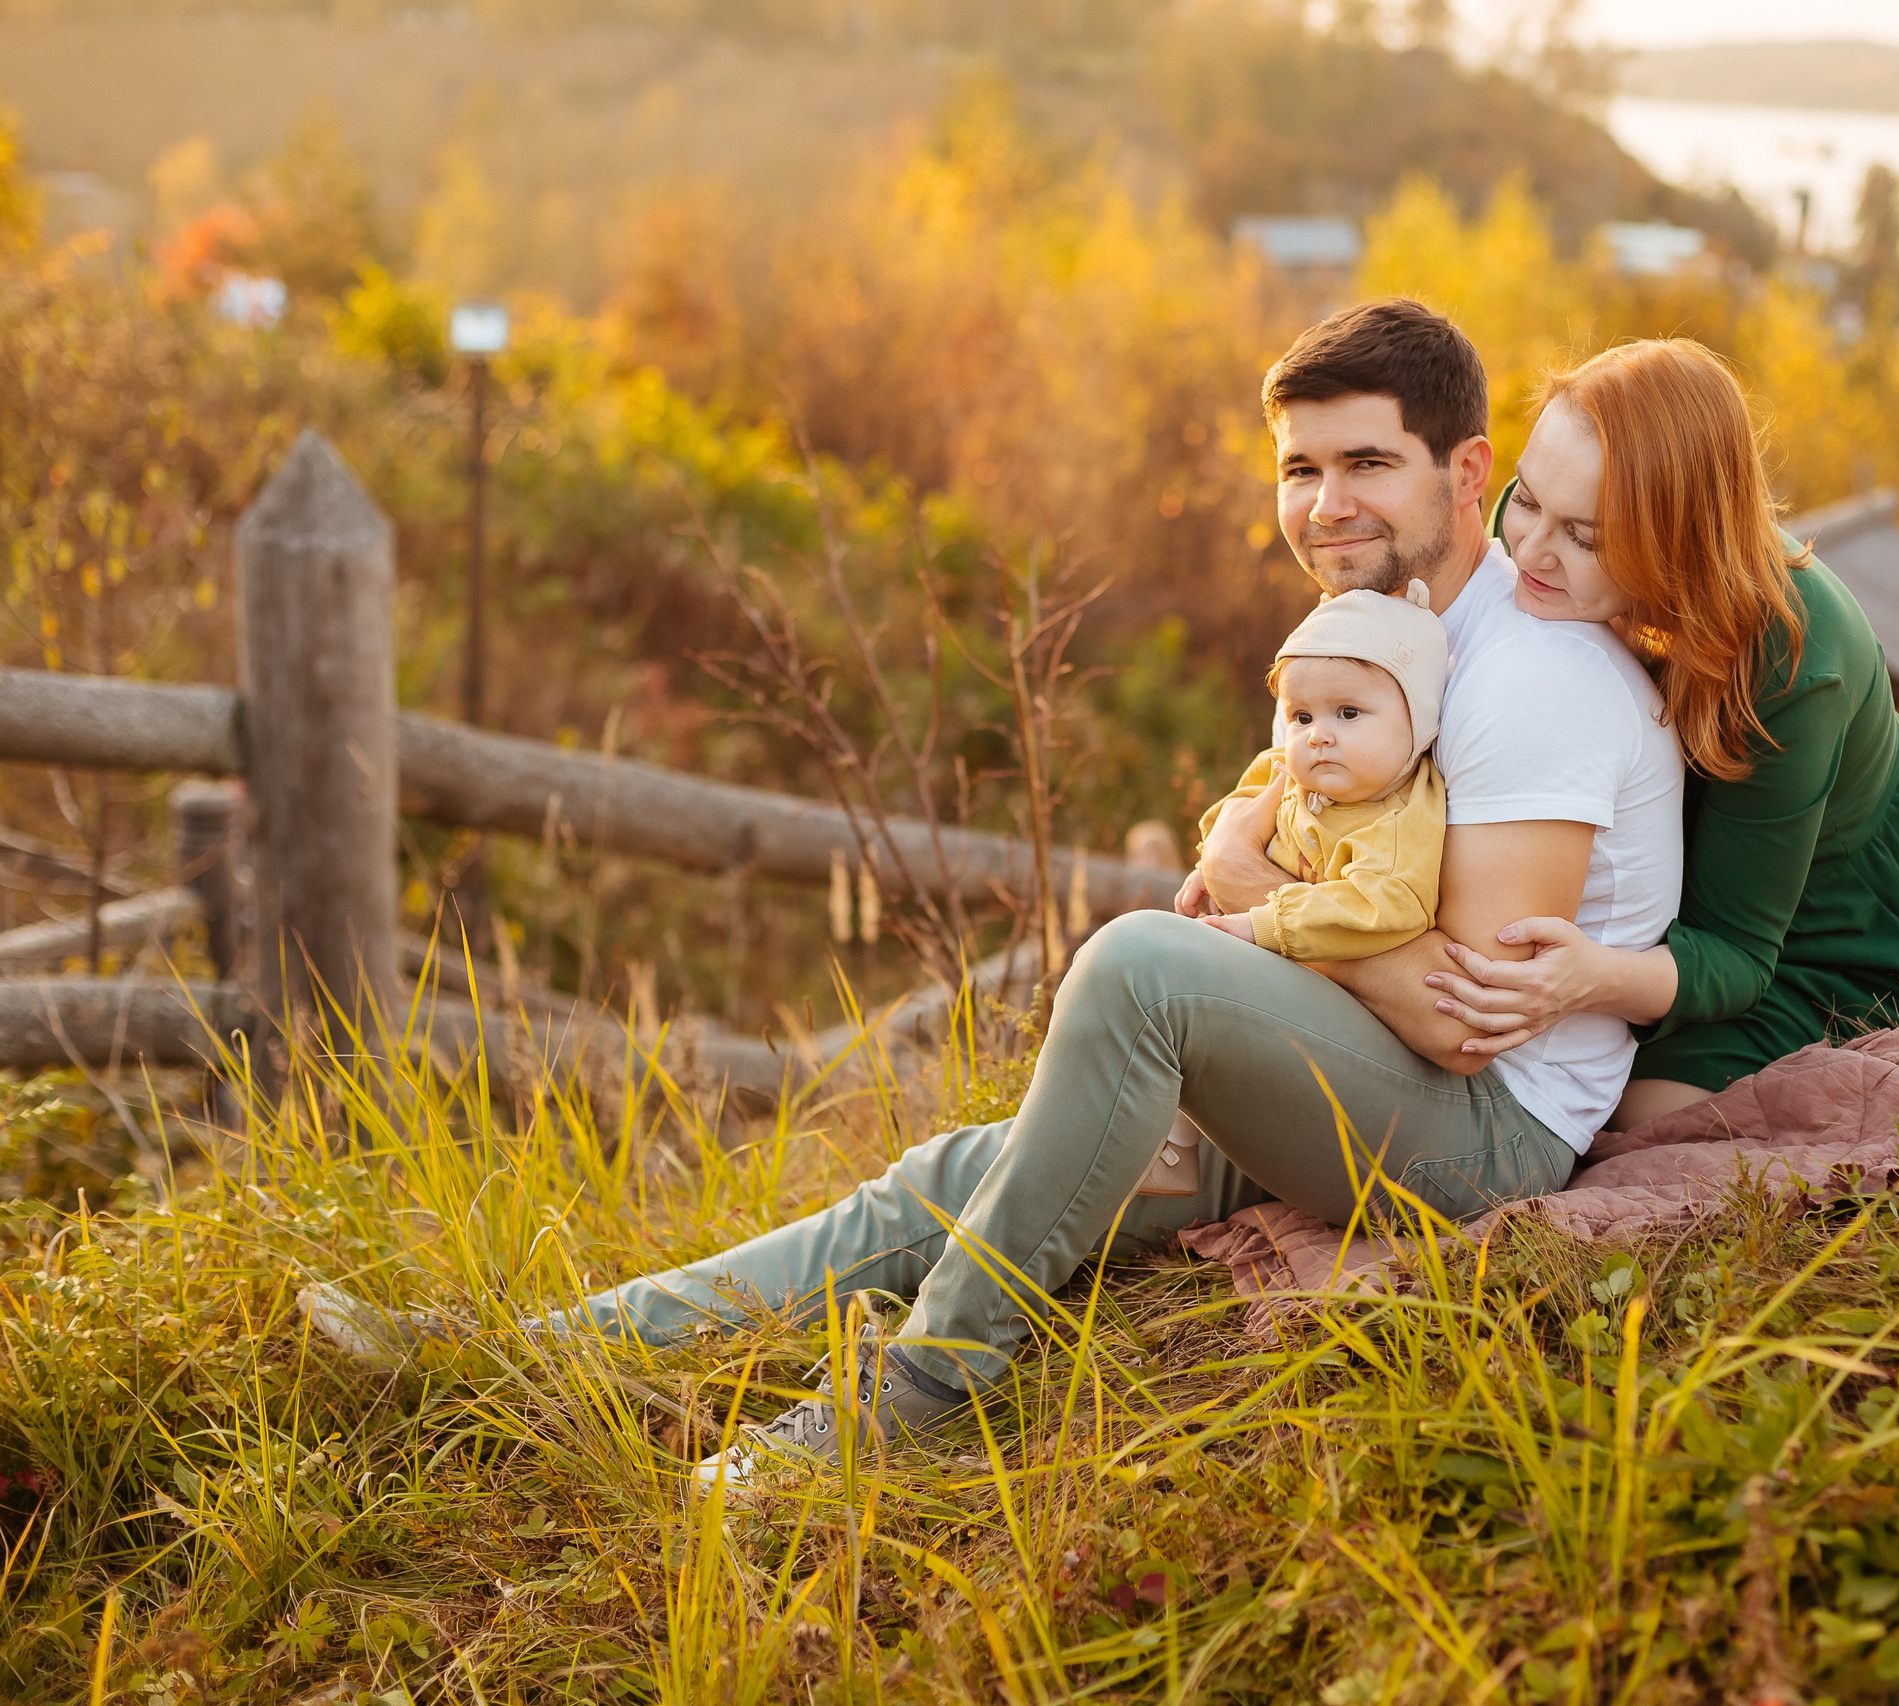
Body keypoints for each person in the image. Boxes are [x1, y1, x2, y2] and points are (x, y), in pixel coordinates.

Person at [301, 300, 1686, 1483]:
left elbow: (1462, 1021)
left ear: (1466, 472)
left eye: (1365, 462)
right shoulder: (1387, 640)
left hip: (1478, 1134)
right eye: (1298, 467)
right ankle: (512, 1358)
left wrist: (1246, 907)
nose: (1325, 506)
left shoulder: (1531, 675)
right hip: (1354, 1074)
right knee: (956, 1175)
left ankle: (913, 1400)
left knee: (1144, 966)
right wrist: (1231, 992)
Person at [1422, 339, 1899, 1129]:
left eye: (1586, 536)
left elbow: (1741, 951)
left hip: (1825, 920)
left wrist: (1589, 980)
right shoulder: (1551, 522)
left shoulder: (1791, 658)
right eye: (1525, 500)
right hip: (1676, 870)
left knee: (1640, 1123)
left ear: (1679, 537)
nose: (1531, 549)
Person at [1185, 580, 1450, 960]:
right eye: (1302, 716)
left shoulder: (1397, 825)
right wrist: (1208, 870)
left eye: (1348, 713)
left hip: (1336, 996)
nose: (1317, 736)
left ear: (1418, 720)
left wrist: (1265, 924)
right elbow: (1239, 812)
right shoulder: (1281, 770)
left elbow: (1380, 910)